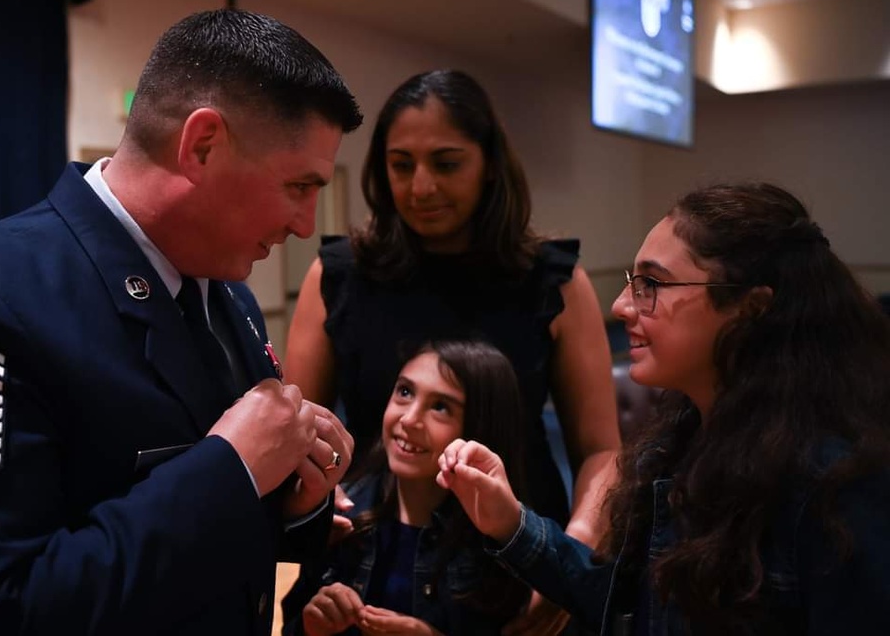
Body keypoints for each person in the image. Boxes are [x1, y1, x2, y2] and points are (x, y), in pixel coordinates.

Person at [0, 9, 363, 635]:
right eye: (298, 186)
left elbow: (224, 554)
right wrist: (232, 469)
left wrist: (294, 502)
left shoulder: (227, 296)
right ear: (203, 145)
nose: (307, 224)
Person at [438, 182, 890, 634]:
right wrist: (511, 522)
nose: (621, 306)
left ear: (750, 308)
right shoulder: (684, 439)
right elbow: (630, 606)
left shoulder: (836, 482)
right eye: (634, 283)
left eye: (651, 284)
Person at [284, 69, 620, 543]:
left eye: (446, 164)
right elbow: (302, 437)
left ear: (489, 165)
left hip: (516, 558)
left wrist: (573, 549)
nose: (421, 188)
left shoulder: (554, 280)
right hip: (370, 552)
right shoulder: (339, 274)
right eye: (401, 165)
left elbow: (600, 450)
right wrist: (319, 503)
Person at [281, 339, 536, 636]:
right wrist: (311, 627)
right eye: (405, 392)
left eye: (440, 407)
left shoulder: (504, 543)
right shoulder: (342, 517)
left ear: (480, 429)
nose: (410, 419)